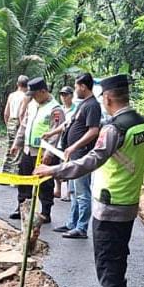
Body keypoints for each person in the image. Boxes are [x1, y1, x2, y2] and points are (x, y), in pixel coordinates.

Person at [34, 75, 144, 287]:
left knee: (107, 257)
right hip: (128, 201)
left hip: (110, 203)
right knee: (117, 255)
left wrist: (54, 171)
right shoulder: (143, 125)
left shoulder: (114, 128)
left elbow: (92, 160)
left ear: (107, 98)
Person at [52, 73, 102, 239]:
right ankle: (71, 223)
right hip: (74, 154)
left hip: (82, 155)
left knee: (82, 192)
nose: (75, 90)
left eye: (76, 86)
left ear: (83, 86)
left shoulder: (93, 106)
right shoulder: (83, 104)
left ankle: (81, 227)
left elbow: (93, 130)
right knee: (73, 191)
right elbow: (68, 124)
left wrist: (74, 146)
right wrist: (52, 133)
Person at [10, 77, 63, 223]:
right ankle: (22, 208)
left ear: (43, 91)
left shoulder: (55, 108)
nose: (32, 97)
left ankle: (46, 212)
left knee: (45, 183)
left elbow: (56, 132)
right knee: (24, 179)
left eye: (35, 94)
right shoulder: (32, 105)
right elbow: (24, 125)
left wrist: (49, 152)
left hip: (43, 151)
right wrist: (17, 143)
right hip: (28, 150)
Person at [48, 86, 77, 201]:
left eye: (66, 95)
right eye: (62, 95)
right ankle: (58, 189)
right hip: (58, 142)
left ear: (71, 95)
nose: (64, 97)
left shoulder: (76, 110)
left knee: (68, 166)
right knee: (56, 166)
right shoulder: (59, 109)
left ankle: (69, 192)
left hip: (69, 143)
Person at [2, 76, 29, 173]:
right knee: (19, 149)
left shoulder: (11, 95)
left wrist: (8, 124)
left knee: (10, 147)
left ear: (17, 84)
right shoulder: (26, 97)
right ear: (27, 85)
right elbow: (22, 113)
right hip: (19, 122)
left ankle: (5, 174)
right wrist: (23, 127)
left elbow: (6, 113)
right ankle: (15, 174)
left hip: (11, 121)